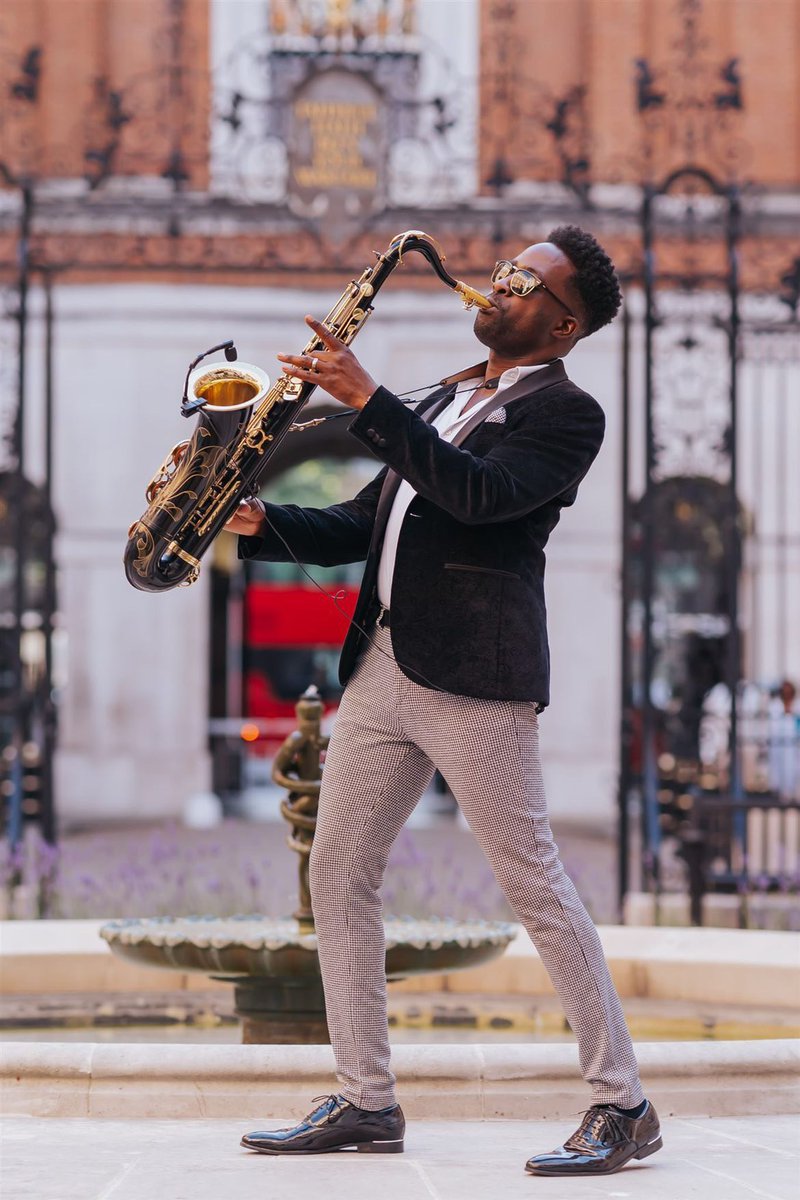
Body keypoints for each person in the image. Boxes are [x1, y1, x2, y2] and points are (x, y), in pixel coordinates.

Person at [226, 226, 662, 1176]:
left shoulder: (567, 413)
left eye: (525, 280)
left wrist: (368, 398)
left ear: (562, 322)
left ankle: (621, 1102)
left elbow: (476, 497)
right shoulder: (446, 393)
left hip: (476, 675)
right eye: (504, 268)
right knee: (337, 873)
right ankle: (365, 1099)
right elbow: (362, 521)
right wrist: (256, 520)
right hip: (383, 661)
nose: (498, 283)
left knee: (534, 883)